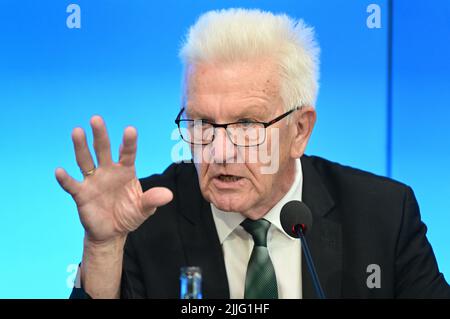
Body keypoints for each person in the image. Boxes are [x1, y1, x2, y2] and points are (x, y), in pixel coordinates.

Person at [56, 8, 450, 299]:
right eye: (203, 123)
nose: (220, 151)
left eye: (247, 126)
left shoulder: (382, 214)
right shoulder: (143, 217)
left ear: (300, 130)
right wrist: (103, 248)